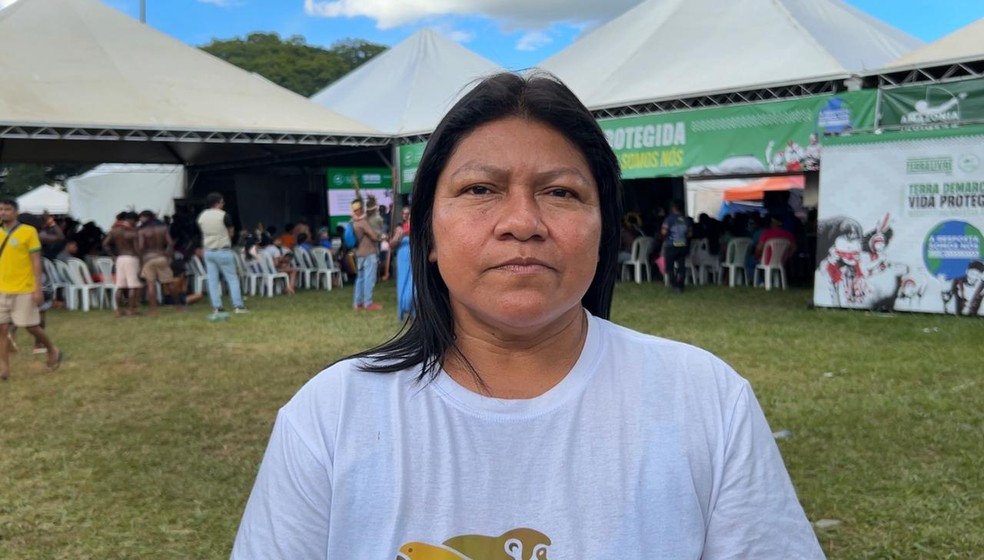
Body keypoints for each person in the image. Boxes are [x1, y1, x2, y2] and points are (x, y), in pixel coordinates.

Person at [231, 72, 825, 559]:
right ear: (428, 234)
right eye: (480, 190)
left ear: (603, 230)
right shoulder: (331, 416)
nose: (522, 221)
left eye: (561, 192)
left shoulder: (705, 400)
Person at [0, 198, 62, 381]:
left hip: (24, 287)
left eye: (7, 209)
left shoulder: (28, 232)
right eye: (1, 209)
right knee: (2, 328)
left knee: (31, 326)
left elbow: (36, 260)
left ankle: (52, 350)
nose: (3, 212)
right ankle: (4, 368)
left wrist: (37, 288)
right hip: (2, 287)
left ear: (16, 212)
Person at [197, 193, 247, 320]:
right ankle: (238, 306)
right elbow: (231, 231)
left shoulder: (202, 216)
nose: (223, 204)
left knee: (213, 280)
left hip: (208, 250)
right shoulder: (224, 215)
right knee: (232, 278)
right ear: (218, 203)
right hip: (222, 249)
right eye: (222, 202)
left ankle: (217, 306)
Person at [138, 210, 178, 316]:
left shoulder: (142, 231)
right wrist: (168, 256)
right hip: (161, 257)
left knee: (150, 284)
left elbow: (141, 247)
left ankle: (153, 310)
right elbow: (170, 244)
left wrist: (140, 260)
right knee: (169, 283)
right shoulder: (163, 228)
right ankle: (179, 307)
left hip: (148, 258)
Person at [102, 211, 142, 317]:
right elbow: (137, 249)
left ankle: (118, 310)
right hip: (132, 258)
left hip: (120, 258)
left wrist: (113, 256)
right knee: (133, 285)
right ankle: (131, 310)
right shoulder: (133, 232)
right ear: (133, 220)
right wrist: (142, 261)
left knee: (120, 286)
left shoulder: (115, 230)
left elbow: (105, 244)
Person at [350, 198, 382, 311]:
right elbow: (373, 235)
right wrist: (381, 237)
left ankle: (357, 303)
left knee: (360, 278)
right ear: (361, 209)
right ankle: (368, 303)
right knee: (369, 278)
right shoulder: (362, 222)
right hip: (368, 252)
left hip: (359, 253)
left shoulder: (353, 222)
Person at [389, 205, 414, 321]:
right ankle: (403, 310)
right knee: (402, 282)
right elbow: (392, 244)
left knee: (413, 284)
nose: (405, 215)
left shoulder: (416, 226)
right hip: (403, 257)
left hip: (414, 257)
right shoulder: (399, 228)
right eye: (404, 213)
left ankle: (413, 310)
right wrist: (398, 237)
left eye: (407, 213)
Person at [661, 199, 691, 293]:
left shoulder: (669, 219)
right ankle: (680, 284)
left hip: (671, 245)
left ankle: (674, 284)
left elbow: (664, 231)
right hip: (682, 245)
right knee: (681, 265)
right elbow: (690, 234)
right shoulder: (686, 219)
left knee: (669, 266)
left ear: (673, 208)